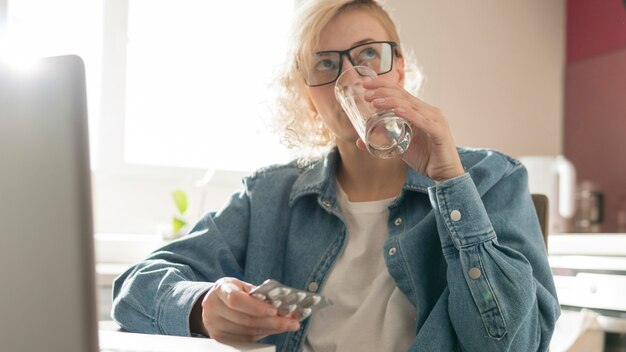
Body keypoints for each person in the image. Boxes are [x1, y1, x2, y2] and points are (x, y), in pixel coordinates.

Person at [111, 0, 560, 351]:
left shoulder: (489, 179)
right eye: (326, 63)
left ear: (399, 71)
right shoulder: (271, 196)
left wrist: (449, 181)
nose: (352, 78)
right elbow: (135, 288)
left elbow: (513, 345)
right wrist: (200, 308)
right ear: (308, 96)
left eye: (368, 54)